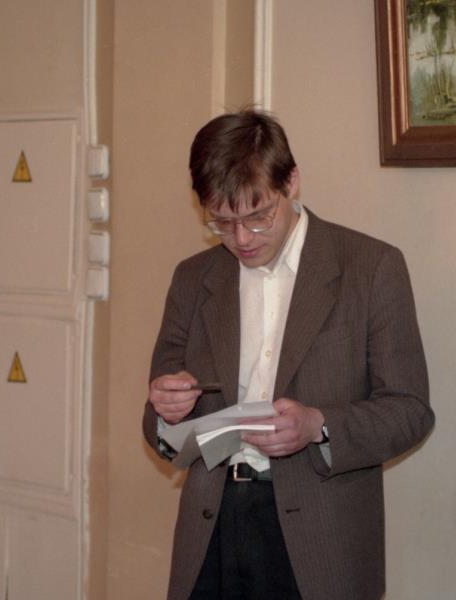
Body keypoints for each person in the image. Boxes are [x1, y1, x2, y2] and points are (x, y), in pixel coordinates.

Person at [143, 109, 433, 600]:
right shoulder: (194, 279)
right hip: (212, 527)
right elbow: (156, 422)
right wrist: (167, 410)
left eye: (258, 217)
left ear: (291, 182)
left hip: (322, 536)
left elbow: (410, 411)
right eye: (222, 223)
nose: (241, 239)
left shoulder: (371, 268)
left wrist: (319, 425)